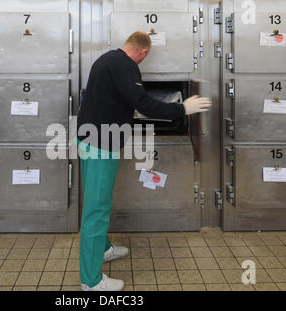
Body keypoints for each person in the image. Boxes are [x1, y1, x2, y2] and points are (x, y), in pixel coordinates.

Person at [76, 31, 211, 291]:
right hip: (101, 146)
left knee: (96, 202)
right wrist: (183, 108)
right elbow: (144, 104)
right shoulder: (126, 65)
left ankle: (103, 249)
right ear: (143, 52)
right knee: (97, 210)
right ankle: (91, 281)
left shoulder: (107, 59)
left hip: (90, 140)